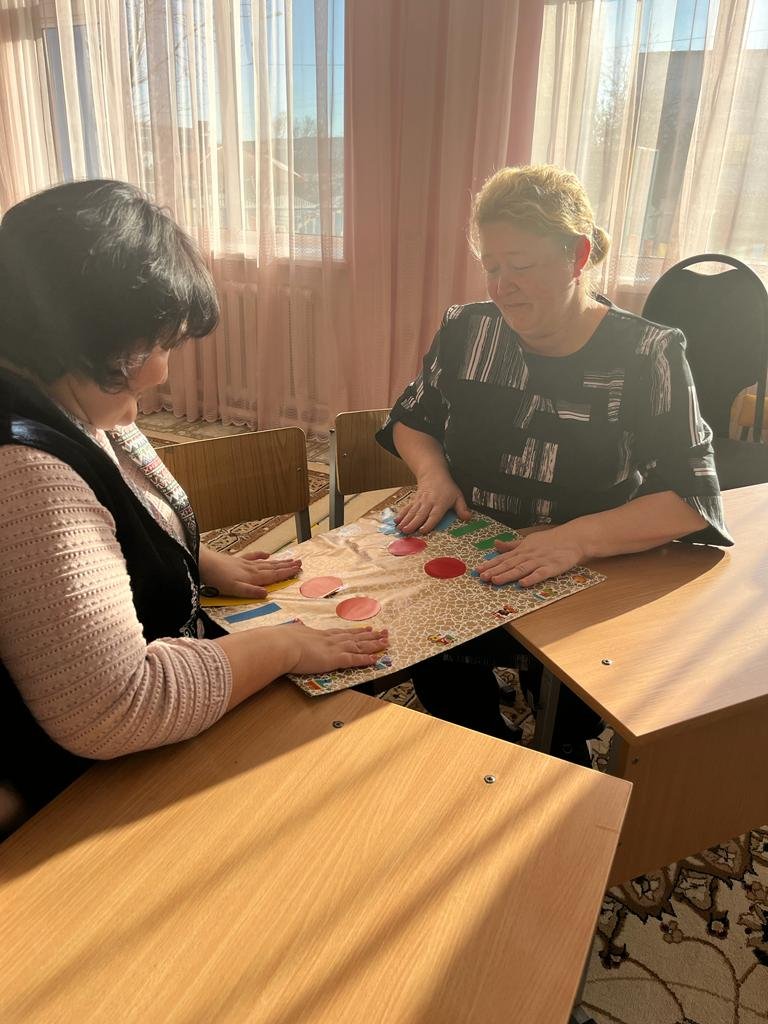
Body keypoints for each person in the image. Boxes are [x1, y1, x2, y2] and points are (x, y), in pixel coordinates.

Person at [0, 179, 388, 835]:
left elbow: (117, 507)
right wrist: (284, 647)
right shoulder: (25, 471)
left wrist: (195, 557)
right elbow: (118, 706)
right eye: (155, 346)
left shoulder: (73, 394)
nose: (162, 373)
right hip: (94, 787)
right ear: (79, 332)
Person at [377, 164, 731, 762]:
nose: (502, 286)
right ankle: (481, 745)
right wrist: (433, 474)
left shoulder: (647, 353)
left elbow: (692, 499)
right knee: (437, 663)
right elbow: (413, 418)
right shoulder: (467, 330)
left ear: (577, 256)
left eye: (520, 265)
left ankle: (559, 751)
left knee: (570, 713)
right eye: (491, 266)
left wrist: (576, 539)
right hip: (470, 546)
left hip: (588, 561)